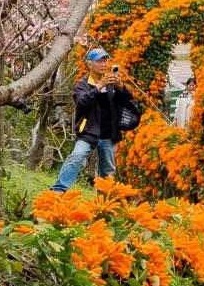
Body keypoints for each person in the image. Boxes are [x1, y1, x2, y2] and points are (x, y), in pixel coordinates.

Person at [49, 49, 140, 191]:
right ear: (90, 64)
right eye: (99, 61)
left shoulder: (111, 82)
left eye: (105, 61)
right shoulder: (82, 85)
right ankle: (58, 191)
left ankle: (103, 205)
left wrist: (121, 86)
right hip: (88, 133)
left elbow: (128, 100)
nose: (103, 64)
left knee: (108, 172)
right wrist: (99, 86)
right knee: (76, 157)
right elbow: (81, 103)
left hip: (109, 134)